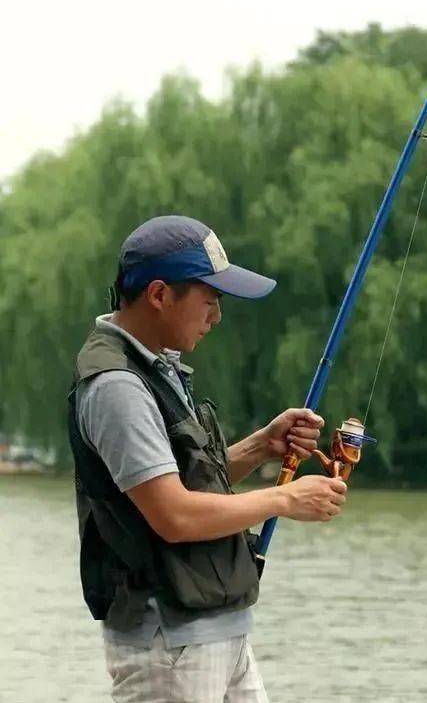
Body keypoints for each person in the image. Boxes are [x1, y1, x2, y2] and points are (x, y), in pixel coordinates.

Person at [68, 214, 347, 702]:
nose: (216, 317)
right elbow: (174, 514)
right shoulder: (118, 388)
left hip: (216, 631)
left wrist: (262, 445)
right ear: (159, 295)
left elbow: (184, 482)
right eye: (209, 300)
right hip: (168, 645)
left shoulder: (158, 366)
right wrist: (284, 500)